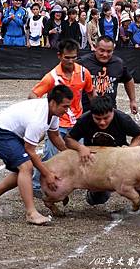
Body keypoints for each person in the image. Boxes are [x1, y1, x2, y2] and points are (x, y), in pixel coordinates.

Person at [0, 84, 74, 225]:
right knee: (26, 167)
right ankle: (31, 213)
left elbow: (55, 136)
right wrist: (47, 174)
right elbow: (30, 150)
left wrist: (71, 154)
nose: (67, 111)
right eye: (65, 106)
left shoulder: (54, 112)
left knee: (23, 170)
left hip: (12, 133)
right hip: (0, 133)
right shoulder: (38, 120)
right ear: (53, 103)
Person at [29, 39, 95, 192]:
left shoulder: (84, 73)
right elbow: (33, 95)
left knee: (79, 155)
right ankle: (37, 186)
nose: (71, 61)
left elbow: (91, 93)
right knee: (50, 156)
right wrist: (45, 112)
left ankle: (74, 182)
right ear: (59, 56)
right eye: (67, 57)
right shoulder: (52, 77)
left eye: (74, 57)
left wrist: (96, 111)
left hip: (77, 123)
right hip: (57, 124)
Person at [64, 95, 140, 206]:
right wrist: (80, 147)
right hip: (97, 161)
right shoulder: (84, 120)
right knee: (98, 199)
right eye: (97, 119)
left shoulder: (122, 118)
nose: (102, 122)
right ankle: (93, 193)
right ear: (92, 114)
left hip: (119, 159)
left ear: (112, 111)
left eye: (106, 118)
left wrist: (130, 150)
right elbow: (68, 139)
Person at [79, 34, 138, 114]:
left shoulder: (118, 63)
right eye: (102, 50)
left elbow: (128, 80)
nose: (105, 54)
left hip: (109, 110)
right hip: (86, 111)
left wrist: (132, 100)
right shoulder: (83, 62)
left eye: (109, 51)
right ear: (95, 48)